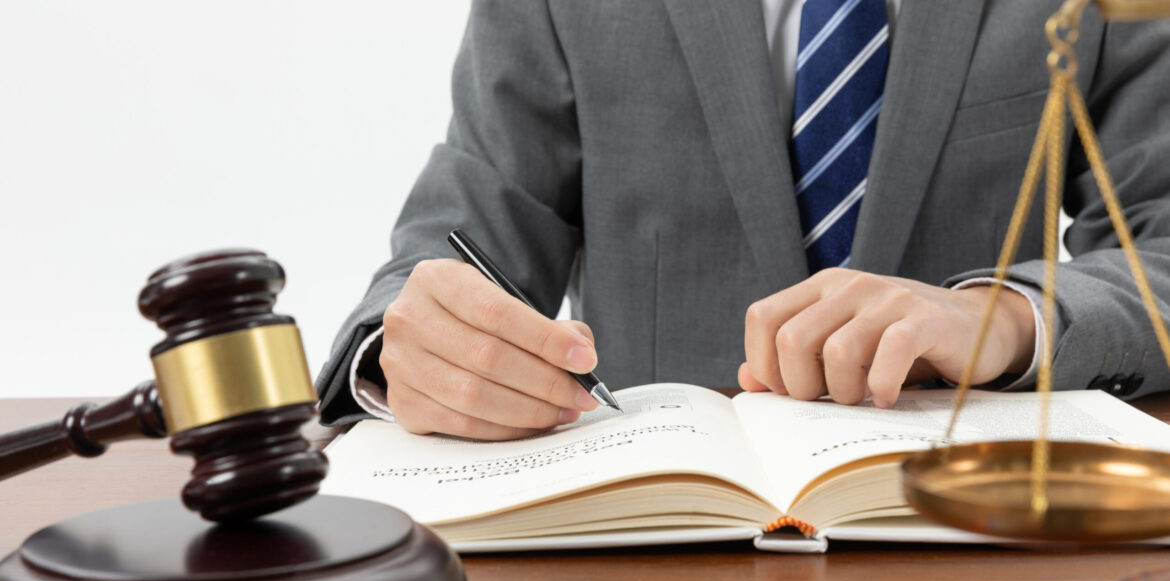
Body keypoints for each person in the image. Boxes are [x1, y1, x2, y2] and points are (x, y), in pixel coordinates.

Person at [315, 1, 1170, 441]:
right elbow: (458, 240)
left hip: (971, 530)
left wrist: (1008, 317)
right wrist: (399, 354)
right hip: (645, 541)